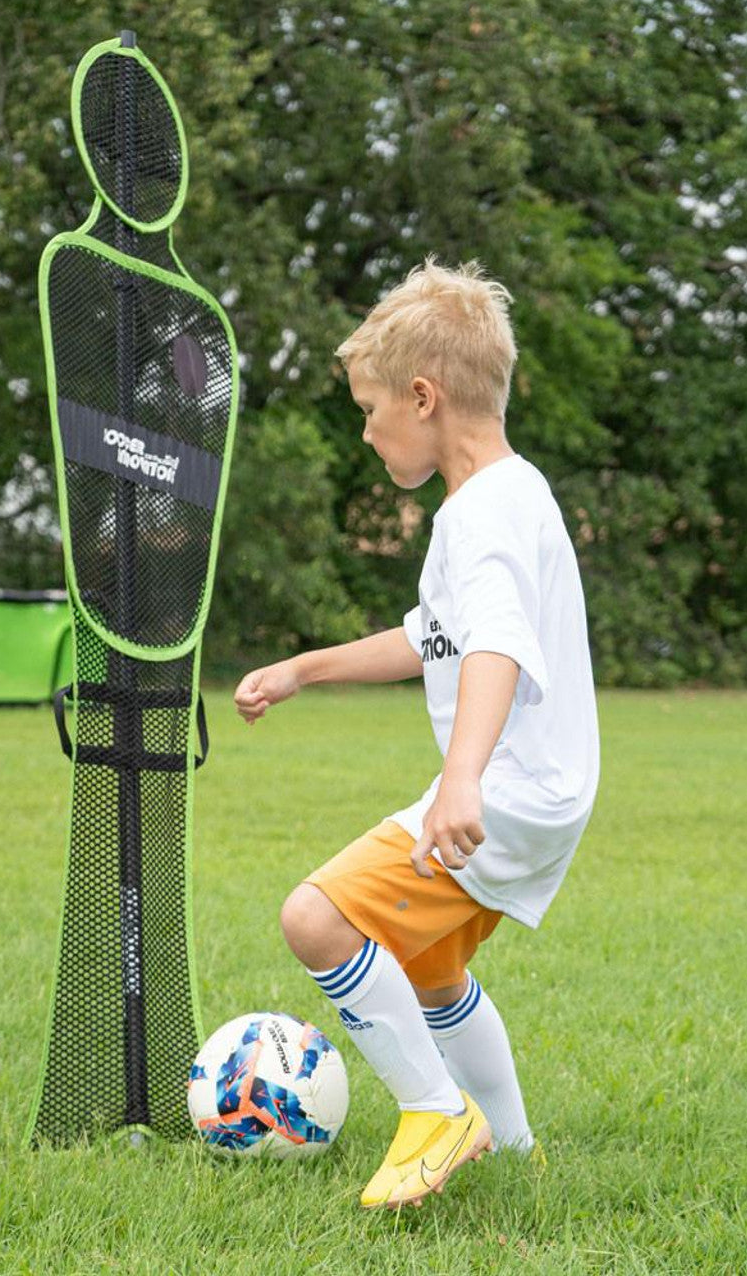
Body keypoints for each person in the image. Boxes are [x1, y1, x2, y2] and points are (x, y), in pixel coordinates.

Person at [233, 258, 600, 1209]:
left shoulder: (477, 518)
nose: (365, 430)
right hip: (550, 790)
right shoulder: (514, 494)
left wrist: (462, 780)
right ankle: (513, 1151)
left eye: (368, 408)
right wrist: (303, 668)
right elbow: (431, 636)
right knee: (432, 969)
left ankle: (438, 1112)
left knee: (315, 918)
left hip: (505, 790)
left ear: (424, 396)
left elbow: (500, 647)